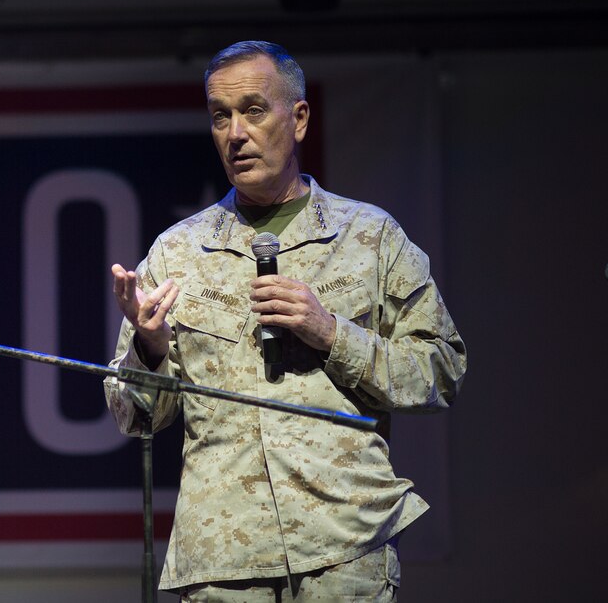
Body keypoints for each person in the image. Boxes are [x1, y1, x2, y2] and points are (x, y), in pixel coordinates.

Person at [104, 41, 466, 601]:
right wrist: (149, 350)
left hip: (344, 547)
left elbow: (442, 370)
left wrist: (332, 334)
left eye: (253, 110)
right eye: (220, 117)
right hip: (224, 559)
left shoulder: (369, 237)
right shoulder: (177, 252)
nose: (235, 133)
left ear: (297, 119)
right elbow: (134, 417)